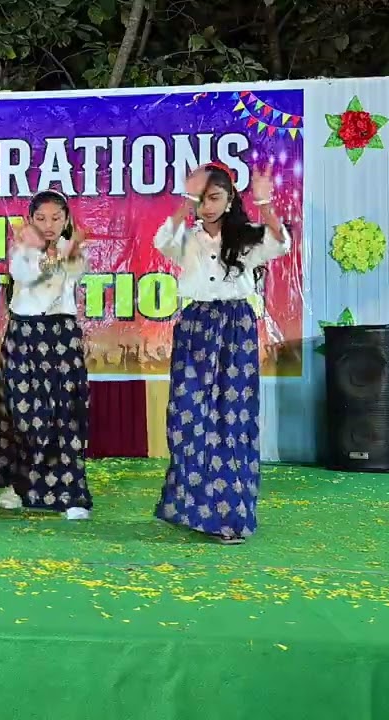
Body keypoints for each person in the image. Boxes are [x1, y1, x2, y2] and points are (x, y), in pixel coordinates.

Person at [153, 161, 290, 544]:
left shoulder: (246, 237)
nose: (207, 206)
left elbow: (280, 243)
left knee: (232, 419)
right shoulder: (188, 237)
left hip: (235, 328)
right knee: (187, 417)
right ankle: (189, 505)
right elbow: (162, 240)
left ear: (230, 200)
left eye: (214, 198)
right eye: (202, 199)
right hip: (196, 326)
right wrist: (185, 199)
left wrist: (264, 203)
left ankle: (229, 516)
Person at [0, 191, 93, 519]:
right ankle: (19, 486)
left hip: (61, 336)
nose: (49, 225)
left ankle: (70, 494)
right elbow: (26, 275)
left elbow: (74, 273)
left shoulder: (73, 249)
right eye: (41, 218)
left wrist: (70, 248)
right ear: (30, 220)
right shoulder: (20, 250)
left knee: (65, 414)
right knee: (22, 415)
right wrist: (37, 248)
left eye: (56, 218)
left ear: (66, 220)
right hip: (23, 336)